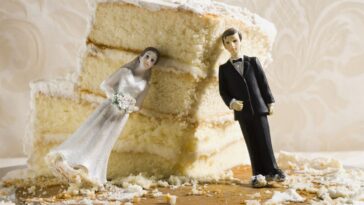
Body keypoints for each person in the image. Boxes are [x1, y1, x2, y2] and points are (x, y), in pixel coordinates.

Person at [45, 47, 160, 187]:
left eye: (153, 60)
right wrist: (116, 98)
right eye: (147, 56)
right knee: (91, 133)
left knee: (104, 142)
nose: (149, 61)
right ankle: (67, 160)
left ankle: (89, 171)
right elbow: (105, 85)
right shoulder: (125, 72)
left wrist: (129, 106)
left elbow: (138, 105)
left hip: (121, 116)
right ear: (140, 56)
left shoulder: (145, 84)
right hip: (109, 107)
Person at [218, 28, 285, 188]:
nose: (232, 45)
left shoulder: (253, 61)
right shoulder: (224, 69)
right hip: (243, 112)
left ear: (240, 41)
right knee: (251, 142)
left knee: (264, 140)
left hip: (260, 108)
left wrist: (270, 102)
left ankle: (273, 170)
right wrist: (231, 102)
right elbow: (223, 92)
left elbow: (263, 84)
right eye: (228, 43)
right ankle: (258, 173)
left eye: (234, 41)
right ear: (225, 46)